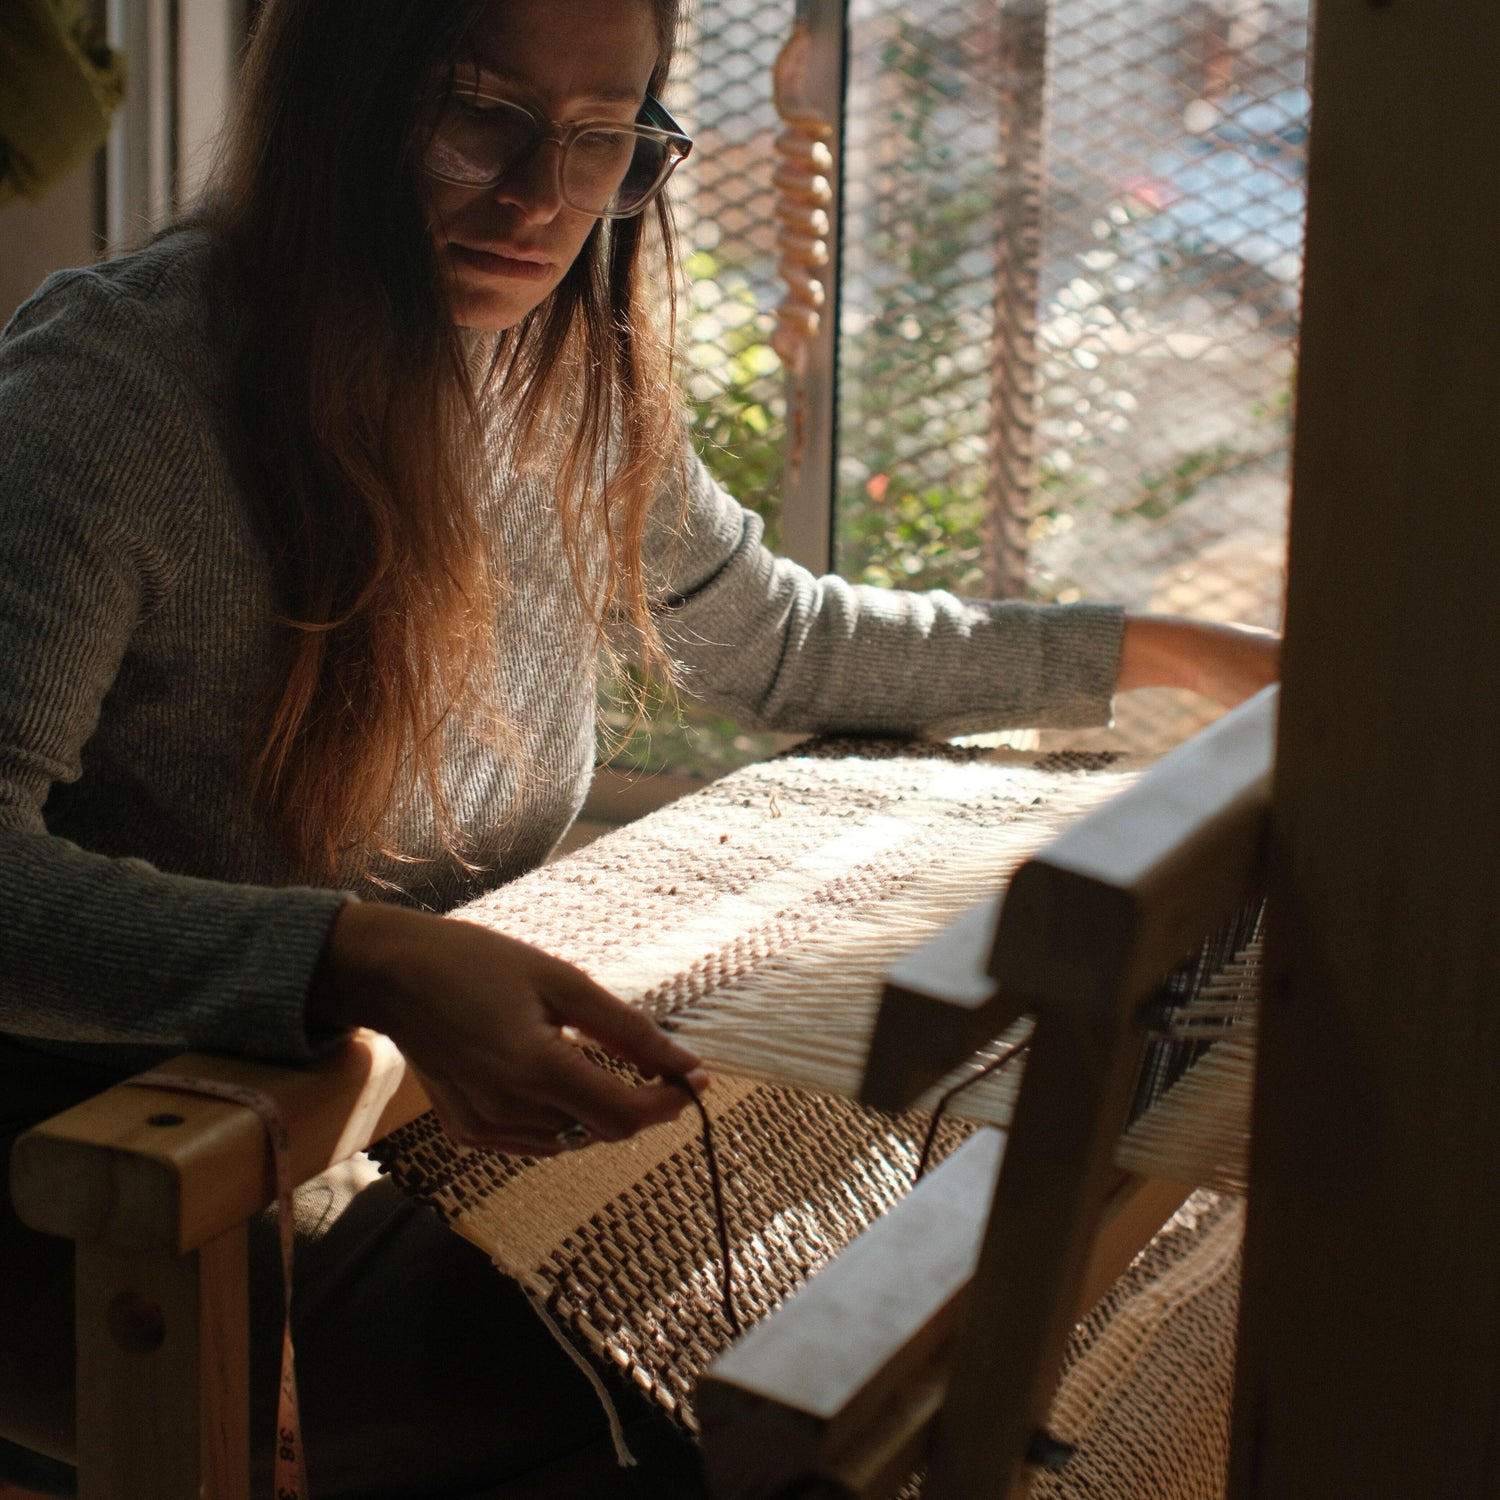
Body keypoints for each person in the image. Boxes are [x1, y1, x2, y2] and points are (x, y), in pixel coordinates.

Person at [0, 0, 1279, 1494]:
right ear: (337, 105)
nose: (544, 199)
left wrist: (1177, 654)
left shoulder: (562, 367)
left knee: (888, 1278)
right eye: (479, 111)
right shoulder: (118, 391)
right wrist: (359, 959)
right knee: (682, 1406)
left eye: (604, 135)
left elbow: (777, 637)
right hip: (98, 1183)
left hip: (379, 1120)